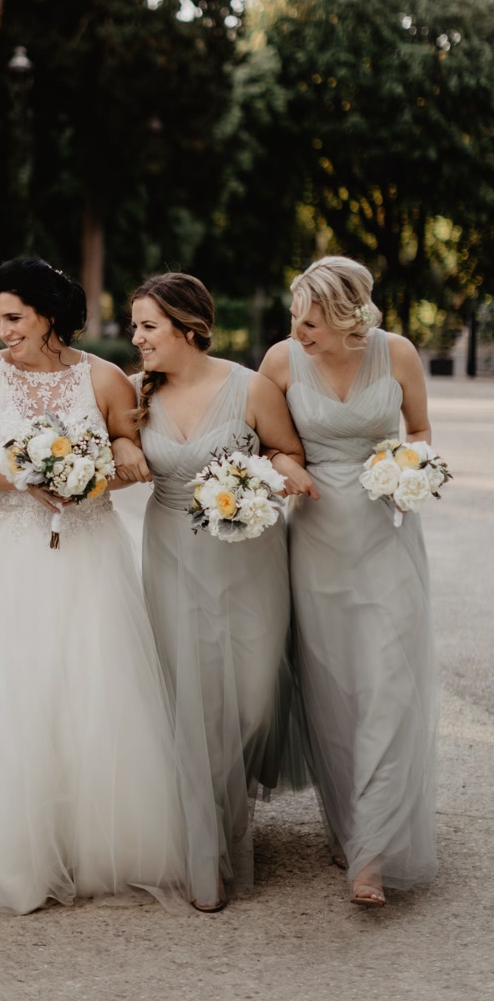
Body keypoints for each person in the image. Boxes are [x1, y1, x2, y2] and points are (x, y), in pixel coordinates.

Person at [0, 257, 185, 914]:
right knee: (4, 697)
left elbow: (130, 456)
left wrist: (95, 473)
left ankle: (88, 847)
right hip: (4, 555)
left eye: (13, 318)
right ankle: (5, 852)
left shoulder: (102, 377)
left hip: (88, 552)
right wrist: (21, 474)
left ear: (48, 312)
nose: (2, 330)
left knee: (92, 692)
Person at [117, 271, 312, 912]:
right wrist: (123, 447)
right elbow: (117, 440)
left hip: (249, 556)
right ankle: (209, 854)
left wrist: (285, 478)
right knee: (192, 702)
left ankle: (225, 818)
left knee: (252, 700)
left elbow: (285, 451)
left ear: (188, 329)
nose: (136, 337)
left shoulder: (250, 387)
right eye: (136, 325)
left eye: (148, 326)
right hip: (172, 551)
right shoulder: (136, 389)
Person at [259, 256, 438, 907]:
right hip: (315, 540)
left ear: (345, 318)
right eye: (293, 319)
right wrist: (286, 464)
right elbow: (267, 441)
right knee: (335, 690)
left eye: (310, 322)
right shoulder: (281, 363)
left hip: (386, 536)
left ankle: (373, 854)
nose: (298, 332)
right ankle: (352, 824)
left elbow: (417, 430)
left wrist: (407, 470)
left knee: (388, 682)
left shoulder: (399, 356)